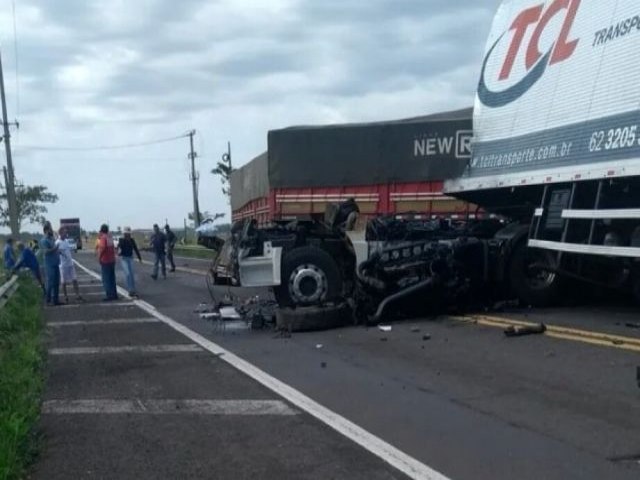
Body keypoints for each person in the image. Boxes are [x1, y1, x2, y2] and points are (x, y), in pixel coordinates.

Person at [56, 227, 83, 303]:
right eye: (64, 232)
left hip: (70, 263)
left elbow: (70, 249)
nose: (66, 234)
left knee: (74, 279)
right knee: (63, 282)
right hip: (63, 265)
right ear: (61, 233)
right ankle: (65, 296)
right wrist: (60, 253)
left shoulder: (66, 241)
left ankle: (77, 295)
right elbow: (57, 252)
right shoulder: (57, 242)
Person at [40, 222, 62, 306]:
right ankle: (48, 299)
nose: (51, 230)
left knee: (56, 282)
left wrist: (57, 251)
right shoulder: (44, 240)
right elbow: (46, 252)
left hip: (55, 263)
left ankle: (55, 300)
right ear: (46, 230)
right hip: (49, 264)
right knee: (50, 282)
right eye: (50, 228)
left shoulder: (52, 239)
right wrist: (55, 248)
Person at [117, 227, 142, 297]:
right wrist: (119, 250)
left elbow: (135, 248)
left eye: (128, 233)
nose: (127, 235)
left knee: (131, 274)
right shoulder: (121, 240)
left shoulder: (132, 240)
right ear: (124, 234)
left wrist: (139, 257)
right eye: (126, 233)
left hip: (130, 258)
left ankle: (133, 289)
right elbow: (119, 248)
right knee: (127, 273)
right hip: (124, 258)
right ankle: (130, 289)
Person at [95, 224, 118, 301]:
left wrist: (99, 257)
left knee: (106, 279)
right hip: (112, 260)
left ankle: (109, 295)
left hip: (105, 260)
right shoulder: (110, 237)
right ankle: (114, 294)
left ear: (101, 230)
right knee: (112, 278)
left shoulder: (103, 238)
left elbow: (102, 248)